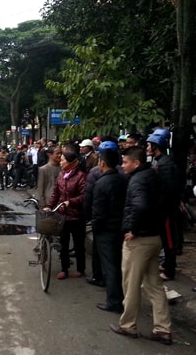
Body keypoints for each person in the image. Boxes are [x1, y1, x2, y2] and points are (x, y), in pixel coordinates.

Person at [109, 146, 172, 345]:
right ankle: (163, 329)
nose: (122, 165)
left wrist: (133, 230)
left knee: (131, 285)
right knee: (155, 285)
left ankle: (128, 325)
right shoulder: (154, 176)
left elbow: (140, 206)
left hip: (139, 241)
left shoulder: (137, 180)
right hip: (155, 238)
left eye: (125, 162)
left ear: (136, 163)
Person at [91, 148, 127, 313]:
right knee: (117, 264)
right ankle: (120, 297)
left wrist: (95, 228)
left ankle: (114, 301)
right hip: (120, 228)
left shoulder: (101, 183)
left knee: (110, 267)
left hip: (106, 230)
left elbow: (98, 212)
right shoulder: (123, 180)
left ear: (102, 163)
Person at [46, 147, 87, 279]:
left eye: (63, 160)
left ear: (70, 162)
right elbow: (55, 193)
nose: (60, 162)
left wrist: (71, 201)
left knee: (79, 244)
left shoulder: (81, 176)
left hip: (77, 217)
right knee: (63, 244)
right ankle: (64, 269)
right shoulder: (61, 175)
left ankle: (81, 269)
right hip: (62, 215)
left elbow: (84, 195)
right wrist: (49, 206)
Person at [147, 129, 179, 281]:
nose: (147, 148)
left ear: (156, 146)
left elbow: (167, 190)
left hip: (166, 209)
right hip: (163, 208)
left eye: (149, 145)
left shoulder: (165, 164)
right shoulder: (161, 162)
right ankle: (167, 263)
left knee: (169, 239)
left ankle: (170, 269)